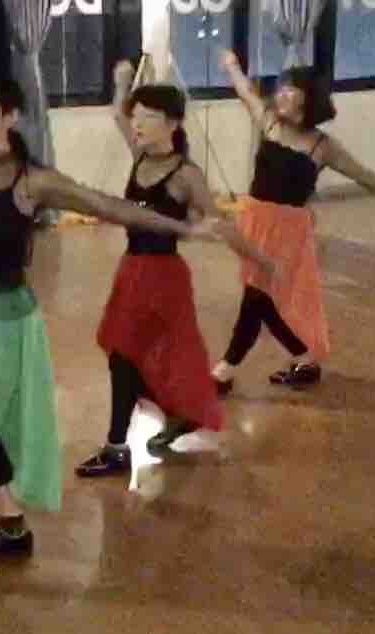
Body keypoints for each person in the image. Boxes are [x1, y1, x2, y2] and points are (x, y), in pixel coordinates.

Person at [0, 63, 216, 599]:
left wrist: (184, 227)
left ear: (11, 116)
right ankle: (12, 526)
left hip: (7, 324)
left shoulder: (33, 181)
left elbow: (111, 206)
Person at [77, 60, 279, 477]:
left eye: (147, 118)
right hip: (132, 269)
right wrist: (120, 83)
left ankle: (117, 446)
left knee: (125, 355)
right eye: (136, 117)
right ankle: (175, 413)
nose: (136, 125)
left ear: (172, 123)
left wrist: (261, 260)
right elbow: (117, 114)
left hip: (162, 277)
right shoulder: (140, 156)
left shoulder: (186, 174)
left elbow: (220, 225)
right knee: (128, 356)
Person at [210, 50, 375, 394]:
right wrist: (232, 65)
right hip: (255, 222)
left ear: (308, 98)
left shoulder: (322, 146)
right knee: (265, 299)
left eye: (289, 89)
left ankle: (223, 373)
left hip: (287, 232)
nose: (280, 94)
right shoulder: (270, 123)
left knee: (256, 297)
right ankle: (304, 359)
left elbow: (363, 175)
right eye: (280, 87)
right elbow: (245, 90)